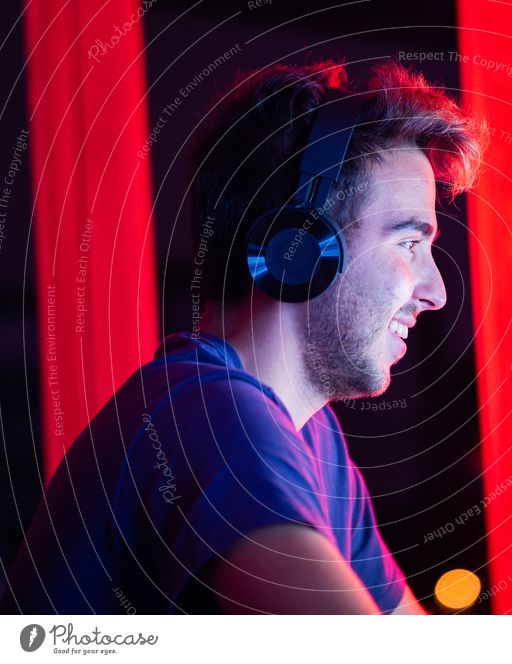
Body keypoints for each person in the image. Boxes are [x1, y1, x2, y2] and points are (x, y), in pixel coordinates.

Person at [0, 59, 486, 614]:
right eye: (407, 244)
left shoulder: (311, 437)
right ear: (300, 250)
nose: (436, 292)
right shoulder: (208, 415)